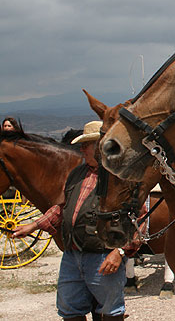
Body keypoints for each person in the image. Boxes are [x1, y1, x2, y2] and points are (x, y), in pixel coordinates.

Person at [13, 120, 127, 321]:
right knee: (69, 308)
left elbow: (138, 218)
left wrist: (120, 252)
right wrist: (34, 225)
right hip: (72, 255)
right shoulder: (77, 173)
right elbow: (63, 206)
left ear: (100, 146)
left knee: (110, 311)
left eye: (86, 145)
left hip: (102, 255)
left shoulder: (119, 177)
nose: (81, 150)